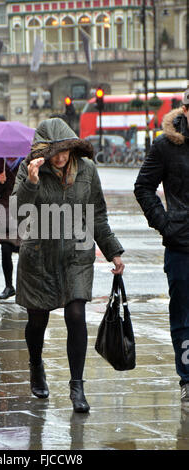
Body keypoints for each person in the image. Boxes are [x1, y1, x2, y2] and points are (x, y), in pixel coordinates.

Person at [11, 118, 125, 413]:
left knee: (76, 313)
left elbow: (98, 215)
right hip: (39, 256)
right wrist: (31, 184)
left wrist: (112, 250)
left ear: (72, 146)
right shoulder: (29, 170)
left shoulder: (87, 171)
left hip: (77, 254)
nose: (59, 158)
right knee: (37, 321)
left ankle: (77, 386)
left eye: (64, 150)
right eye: (53, 153)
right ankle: (36, 365)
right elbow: (16, 215)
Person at [134, 89, 189, 408]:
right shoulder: (166, 145)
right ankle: (187, 378)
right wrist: (165, 224)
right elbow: (143, 187)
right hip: (181, 243)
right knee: (183, 316)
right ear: (184, 109)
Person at [0, 157, 22, 299]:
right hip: (5, 210)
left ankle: (24, 286)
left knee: (25, 252)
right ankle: (9, 286)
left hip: (24, 210)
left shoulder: (27, 161)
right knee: (5, 249)